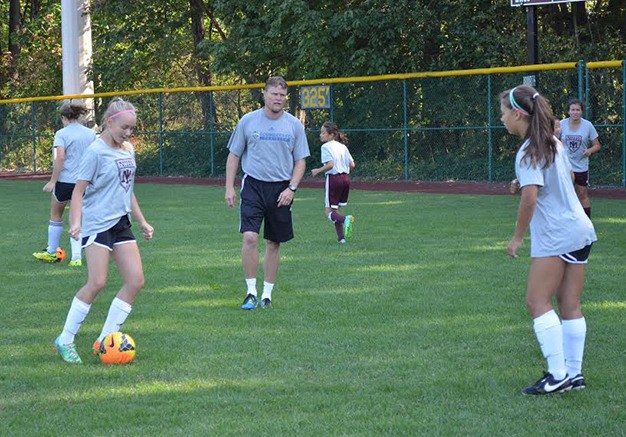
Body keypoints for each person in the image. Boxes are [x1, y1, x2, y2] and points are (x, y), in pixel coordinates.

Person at [500, 85, 597, 395]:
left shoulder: (528, 151)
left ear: (518, 114)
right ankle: (574, 374)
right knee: (569, 304)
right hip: (580, 229)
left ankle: (557, 375)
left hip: (557, 234)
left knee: (536, 302)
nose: (501, 119)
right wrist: (529, 182)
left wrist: (516, 238)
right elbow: (565, 179)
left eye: (503, 113)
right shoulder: (553, 143)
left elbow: (529, 200)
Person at [53, 98, 154, 364]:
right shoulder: (95, 152)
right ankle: (65, 339)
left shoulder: (128, 150)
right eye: (124, 127)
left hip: (121, 224)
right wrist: (75, 222)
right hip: (97, 224)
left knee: (136, 281)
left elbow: (127, 189)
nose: (128, 133)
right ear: (109, 123)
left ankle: (105, 339)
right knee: (97, 282)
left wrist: (142, 221)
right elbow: (78, 191)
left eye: (132, 128)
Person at [224, 76, 310, 310]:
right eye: (274, 94)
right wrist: (229, 186)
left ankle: (267, 295)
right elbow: (234, 155)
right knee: (250, 237)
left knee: (274, 242)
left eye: (282, 95)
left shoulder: (293, 125)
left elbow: (300, 161)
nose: (278, 99)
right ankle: (250, 292)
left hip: (281, 188)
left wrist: (291, 188)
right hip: (253, 185)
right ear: (265, 94)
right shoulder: (248, 121)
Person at [33, 103, 97, 266]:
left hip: (65, 182)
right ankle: (76, 258)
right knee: (77, 218)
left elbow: (60, 158)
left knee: (56, 215)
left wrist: (52, 181)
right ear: (79, 116)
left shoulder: (61, 133)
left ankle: (52, 252)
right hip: (84, 182)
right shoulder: (90, 134)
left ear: (63, 117)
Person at [311, 122, 356, 243]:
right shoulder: (343, 147)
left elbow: (330, 165)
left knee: (328, 212)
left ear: (331, 135)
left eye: (323, 133)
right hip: (345, 179)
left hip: (334, 180)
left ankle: (345, 219)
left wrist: (317, 171)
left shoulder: (325, 147)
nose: (320, 135)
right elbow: (352, 165)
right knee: (335, 209)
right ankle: (341, 239)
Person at [559, 99, 601, 218]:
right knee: (566, 194)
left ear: (582, 111)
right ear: (568, 111)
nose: (575, 112)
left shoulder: (588, 125)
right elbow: (553, 141)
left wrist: (589, 151)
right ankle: (567, 220)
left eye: (578, 110)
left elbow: (597, 145)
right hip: (565, 165)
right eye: (573, 110)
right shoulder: (561, 124)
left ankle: (587, 221)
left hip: (581, 166)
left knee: (582, 193)